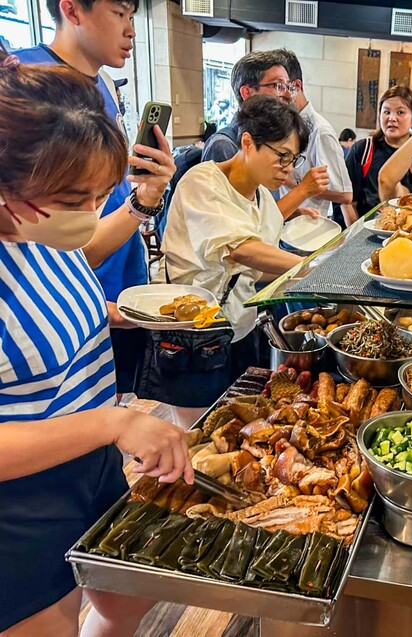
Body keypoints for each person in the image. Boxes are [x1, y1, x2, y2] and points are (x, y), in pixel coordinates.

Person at [0, 50, 192, 637]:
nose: (88, 213)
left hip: (93, 466)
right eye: (74, 200)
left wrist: (110, 312)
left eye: (97, 196)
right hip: (21, 507)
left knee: (121, 607)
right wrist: (113, 424)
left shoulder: (34, 227)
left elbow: (69, 263)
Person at [16, 0, 177, 399]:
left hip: (106, 278)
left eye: (133, 17)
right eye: (119, 14)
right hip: (56, 297)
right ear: (72, 10)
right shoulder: (27, 82)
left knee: (106, 393)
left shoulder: (102, 84)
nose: (131, 30)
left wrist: (146, 197)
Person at [153, 95, 306, 418]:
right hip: (194, 337)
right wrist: (314, 266)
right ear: (248, 142)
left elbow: (257, 271)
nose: (288, 169)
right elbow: (240, 249)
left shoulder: (264, 199)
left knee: (238, 425)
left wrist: (300, 277)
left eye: (294, 159)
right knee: (195, 434)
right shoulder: (203, 181)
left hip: (240, 329)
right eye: (282, 156)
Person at [201, 49, 329, 222]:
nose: (287, 94)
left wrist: (295, 212)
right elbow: (239, 229)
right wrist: (303, 189)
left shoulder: (269, 142)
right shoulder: (224, 146)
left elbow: (259, 213)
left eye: (288, 86)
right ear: (247, 92)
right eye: (278, 85)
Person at [274, 48, 353, 219]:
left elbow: (345, 194)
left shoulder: (320, 130)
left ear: (295, 86)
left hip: (308, 232)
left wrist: (295, 184)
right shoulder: (284, 126)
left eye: (278, 87)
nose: (274, 95)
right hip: (284, 225)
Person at [343, 85, 412, 225]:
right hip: (365, 233)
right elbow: (347, 201)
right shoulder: (363, 149)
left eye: (400, 112)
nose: (392, 118)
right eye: (386, 112)